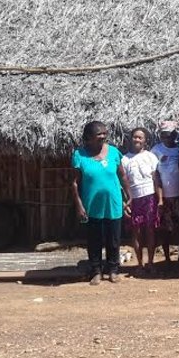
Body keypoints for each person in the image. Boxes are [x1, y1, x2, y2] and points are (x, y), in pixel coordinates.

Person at [71, 121, 132, 285]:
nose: (103, 137)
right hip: (92, 205)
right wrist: (79, 204)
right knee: (94, 239)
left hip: (113, 202)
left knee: (114, 239)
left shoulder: (113, 152)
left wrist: (128, 194)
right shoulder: (80, 155)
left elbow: (122, 175)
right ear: (89, 138)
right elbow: (75, 182)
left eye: (105, 133)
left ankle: (113, 270)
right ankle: (96, 270)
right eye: (99, 134)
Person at [121, 128, 163, 275]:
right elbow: (123, 182)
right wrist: (125, 201)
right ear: (130, 139)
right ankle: (140, 264)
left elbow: (155, 179)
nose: (137, 140)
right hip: (134, 199)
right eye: (135, 137)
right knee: (136, 232)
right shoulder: (124, 159)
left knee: (150, 231)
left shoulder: (150, 157)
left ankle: (151, 263)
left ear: (145, 141)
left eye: (140, 138)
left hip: (150, 197)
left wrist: (160, 199)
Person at [153, 121, 179, 270]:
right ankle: (167, 258)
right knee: (165, 229)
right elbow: (156, 176)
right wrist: (159, 197)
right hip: (165, 197)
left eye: (171, 134)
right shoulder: (156, 151)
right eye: (165, 135)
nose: (168, 137)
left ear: (175, 134)